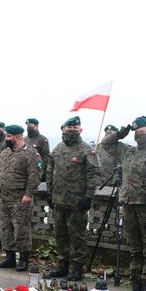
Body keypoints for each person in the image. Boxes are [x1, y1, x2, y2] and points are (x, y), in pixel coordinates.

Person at [101, 116, 146, 291]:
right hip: (128, 205)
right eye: (137, 131)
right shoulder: (128, 151)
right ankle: (135, 290)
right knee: (135, 250)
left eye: (143, 131)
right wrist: (120, 134)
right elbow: (105, 144)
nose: (139, 134)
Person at [46, 116, 100, 281]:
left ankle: (77, 267)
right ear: (63, 129)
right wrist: (49, 193)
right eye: (68, 128)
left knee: (77, 235)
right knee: (60, 234)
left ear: (80, 130)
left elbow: (94, 174)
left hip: (77, 202)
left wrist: (88, 197)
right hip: (59, 200)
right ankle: (63, 265)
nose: (71, 131)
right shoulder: (57, 149)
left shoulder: (87, 150)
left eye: (75, 128)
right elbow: (50, 171)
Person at [0, 124, 41, 271]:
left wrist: (28, 194)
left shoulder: (30, 154)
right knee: (4, 228)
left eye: (9, 136)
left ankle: (23, 260)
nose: (6, 138)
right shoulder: (5, 153)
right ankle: (9, 258)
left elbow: (35, 176)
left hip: (20, 198)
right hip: (3, 198)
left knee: (21, 229)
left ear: (17, 137)